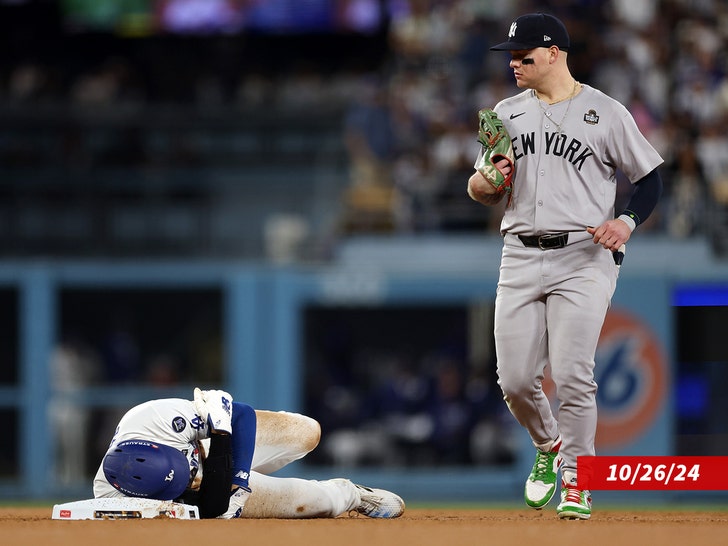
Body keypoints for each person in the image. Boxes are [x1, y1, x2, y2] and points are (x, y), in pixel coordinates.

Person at [467, 13, 663, 519]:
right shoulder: (505, 114)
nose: (514, 63)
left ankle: (578, 480)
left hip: (584, 256)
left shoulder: (605, 111)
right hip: (519, 252)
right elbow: (480, 191)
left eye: (524, 55)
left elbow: (650, 180)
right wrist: (488, 180)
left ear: (554, 53)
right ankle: (549, 446)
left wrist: (626, 220)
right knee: (513, 380)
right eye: (511, 56)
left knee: (574, 374)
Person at [93, 388, 405, 519]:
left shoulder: (155, 419)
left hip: (209, 444)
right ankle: (351, 495)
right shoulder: (114, 500)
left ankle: (219, 471)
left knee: (307, 432)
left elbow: (239, 415)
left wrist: (239, 480)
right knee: (310, 502)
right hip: (197, 495)